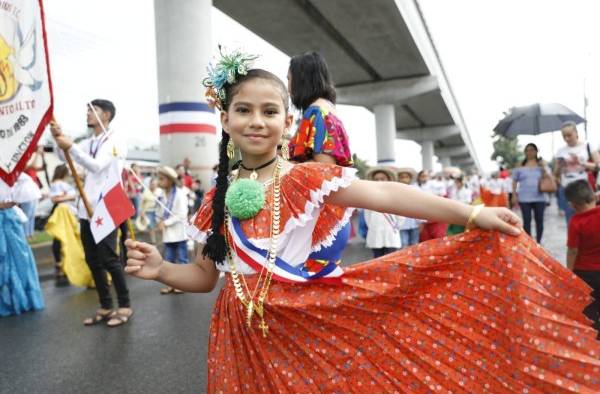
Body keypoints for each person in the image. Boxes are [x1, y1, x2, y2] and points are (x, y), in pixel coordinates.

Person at [125, 58, 600, 392]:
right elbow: (207, 277)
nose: (257, 121)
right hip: (241, 333)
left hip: (305, 320)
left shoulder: (307, 177)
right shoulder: (215, 199)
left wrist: (472, 214)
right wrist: (163, 270)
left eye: (269, 111)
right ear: (225, 119)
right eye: (244, 110)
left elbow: (385, 192)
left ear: (287, 123)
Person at [50, 99, 133, 327]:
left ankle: (124, 305)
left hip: (109, 204)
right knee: (92, 259)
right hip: (87, 207)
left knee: (109, 258)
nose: (87, 113)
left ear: (105, 115)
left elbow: (96, 165)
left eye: (92, 110)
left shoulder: (115, 139)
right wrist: (58, 139)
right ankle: (106, 306)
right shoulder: (89, 141)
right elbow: (65, 157)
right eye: (87, 109)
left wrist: (70, 146)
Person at [287, 51, 352, 166]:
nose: (288, 86)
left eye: (289, 79)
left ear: (301, 81)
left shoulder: (316, 112)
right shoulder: (329, 108)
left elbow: (324, 166)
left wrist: (284, 165)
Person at [0, 178, 45, 317]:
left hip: (9, 219)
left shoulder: (10, 171)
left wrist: (13, 200)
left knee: (18, 258)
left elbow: (27, 188)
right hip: (8, 219)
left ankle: (21, 300)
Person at [565, 180, 600, 338]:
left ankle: (593, 340)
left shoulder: (576, 222)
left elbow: (573, 250)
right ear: (593, 196)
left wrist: (569, 272)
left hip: (585, 273)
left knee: (590, 308)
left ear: (573, 204)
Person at [555, 121, 600, 224]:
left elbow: (598, 166)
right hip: (567, 187)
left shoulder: (587, 146)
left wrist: (581, 163)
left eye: (569, 135)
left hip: (584, 188)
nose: (566, 138)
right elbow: (556, 174)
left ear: (576, 132)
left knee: (588, 219)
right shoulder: (560, 151)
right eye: (564, 136)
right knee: (571, 220)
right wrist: (560, 165)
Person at [156, 166, 189, 294]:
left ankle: (182, 285)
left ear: (170, 180)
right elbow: (159, 211)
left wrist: (166, 222)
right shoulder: (161, 195)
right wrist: (159, 220)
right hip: (168, 234)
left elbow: (182, 214)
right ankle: (170, 284)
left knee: (182, 261)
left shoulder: (180, 194)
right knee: (168, 262)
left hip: (179, 233)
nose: (159, 181)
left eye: (162, 179)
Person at [512, 143, 549, 243]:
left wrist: (543, 167)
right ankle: (529, 242)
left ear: (536, 151)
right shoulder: (520, 165)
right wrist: (514, 195)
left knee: (539, 221)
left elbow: (548, 177)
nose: (530, 152)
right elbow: (514, 181)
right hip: (524, 198)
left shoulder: (542, 164)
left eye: (532, 150)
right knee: (526, 221)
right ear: (525, 152)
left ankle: (539, 241)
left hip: (540, 197)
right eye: (527, 150)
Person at [363, 167, 402, 257]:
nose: (379, 181)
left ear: (388, 179)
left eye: (382, 179)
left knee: (392, 259)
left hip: (391, 232)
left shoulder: (395, 194)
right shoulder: (368, 196)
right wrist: (374, 227)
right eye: (376, 179)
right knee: (377, 259)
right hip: (376, 233)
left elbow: (401, 215)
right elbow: (367, 216)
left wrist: (396, 226)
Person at [417, 170, 448, 241]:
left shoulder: (435, 185)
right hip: (423, 218)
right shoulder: (416, 186)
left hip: (436, 217)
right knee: (425, 240)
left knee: (438, 238)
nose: (424, 178)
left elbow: (442, 196)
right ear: (419, 177)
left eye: (426, 176)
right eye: (422, 176)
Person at [396, 167, 421, 247]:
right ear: (399, 178)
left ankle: (414, 259)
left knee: (414, 244)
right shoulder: (396, 189)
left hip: (414, 222)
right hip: (402, 223)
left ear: (410, 178)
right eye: (402, 177)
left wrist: (421, 222)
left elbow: (421, 205)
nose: (404, 179)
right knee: (404, 244)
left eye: (406, 177)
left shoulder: (416, 189)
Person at [13, 172, 41, 240]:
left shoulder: (17, 173)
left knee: (29, 216)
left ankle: (29, 234)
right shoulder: (20, 174)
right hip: (30, 194)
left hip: (28, 194)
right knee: (28, 216)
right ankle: (27, 235)